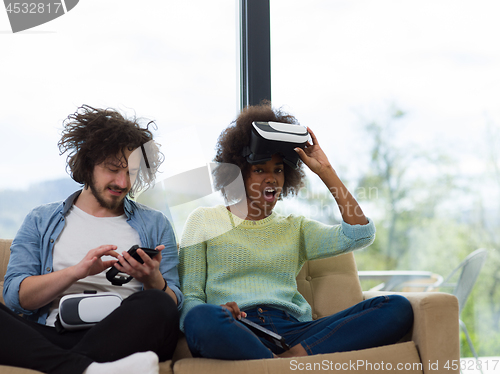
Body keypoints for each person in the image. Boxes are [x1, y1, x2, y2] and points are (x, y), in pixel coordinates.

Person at [178, 102, 413, 360]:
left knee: (397, 307)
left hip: (294, 332)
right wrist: (221, 312)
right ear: (238, 175)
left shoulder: (295, 227)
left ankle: (289, 359)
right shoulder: (203, 220)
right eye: (259, 170)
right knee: (199, 317)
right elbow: (191, 298)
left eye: (278, 170)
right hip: (238, 327)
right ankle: (281, 363)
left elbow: (360, 234)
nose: (272, 178)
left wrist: (325, 171)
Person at [1, 105, 182, 374]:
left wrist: (152, 279)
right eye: (113, 169)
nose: (122, 182)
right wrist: (77, 271)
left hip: (123, 338)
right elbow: (16, 298)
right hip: (50, 335)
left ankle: (70, 367)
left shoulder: (155, 224)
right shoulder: (40, 219)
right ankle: (89, 369)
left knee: (158, 304)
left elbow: (173, 304)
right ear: (88, 164)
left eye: (131, 173)